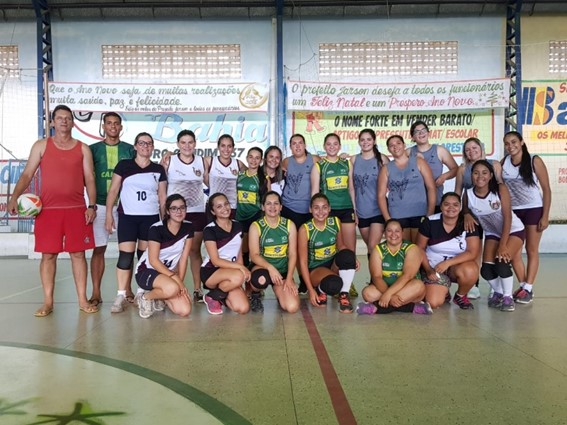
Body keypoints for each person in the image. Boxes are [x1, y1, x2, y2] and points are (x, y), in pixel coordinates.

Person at [7, 104, 98, 316]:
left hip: (76, 209)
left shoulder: (83, 148)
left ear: (73, 122)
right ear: (52, 122)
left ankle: (82, 300)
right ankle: (48, 302)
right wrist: (14, 197)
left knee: (78, 254)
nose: (64, 121)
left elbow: (90, 179)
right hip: (48, 211)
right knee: (48, 255)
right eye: (59, 118)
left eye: (68, 118)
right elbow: (27, 174)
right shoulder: (41, 146)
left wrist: (91, 206)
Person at [105, 132, 168, 313]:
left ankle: (142, 292)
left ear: (153, 147)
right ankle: (121, 294)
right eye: (141, 143)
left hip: (150, 218)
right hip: (128, 218)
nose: (145, 146)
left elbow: (162, 197)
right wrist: (109, 214)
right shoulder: (124, 165)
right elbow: (113, 191)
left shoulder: (158, 169)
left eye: (149, 143)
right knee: (125, 256)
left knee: (144, 257)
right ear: (135, 146)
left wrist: (164, 221)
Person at [463, 160, 525, 312]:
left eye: (484, 173)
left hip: (513, 230)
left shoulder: (500, 189)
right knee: (486, 270)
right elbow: (465, 209)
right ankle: (498, 292)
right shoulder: (468, 194)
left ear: (491, 175)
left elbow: (507, 218)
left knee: (501, 263)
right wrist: (466, 214)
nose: (480, 176)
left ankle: (508, 298)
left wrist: (503, 245)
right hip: (492, 233)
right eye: (476, 173)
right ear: (471, 175)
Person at [88, 112, 135, 307]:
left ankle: (128, 290)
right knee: (99, 249)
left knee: (128, 250)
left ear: (121, 127)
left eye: (116, 123)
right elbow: (86, 176)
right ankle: (96, 292)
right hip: (99, 205)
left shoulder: (130, 149)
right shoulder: (92, 150)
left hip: (126, 206)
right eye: (109, 123)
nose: (113, 126)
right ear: (104, 126)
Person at [501, 131, 551, 304]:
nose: (510, 146)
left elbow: (547, 189)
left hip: (533, 209)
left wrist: (545, 215)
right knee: (514, 251)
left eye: (514, 142)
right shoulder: (504, 162)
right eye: (507, 143)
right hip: (514, 212)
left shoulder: (534, 160)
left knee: (531, 249)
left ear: (521, 142)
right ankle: (524, 286)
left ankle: (528, 287)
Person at [163, 129, 208, 303]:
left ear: (195, 144)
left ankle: (197, 289)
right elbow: (161, 187)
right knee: (174, 252)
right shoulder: (169, 161)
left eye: (190, 142)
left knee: (194, 251)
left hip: (196, 212)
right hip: (175, 214)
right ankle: (174, 288)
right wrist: (164, 211)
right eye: (183, 142)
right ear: (178, 144)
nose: (187, 146)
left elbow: (211, 182)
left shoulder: (202, 161)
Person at [454, 137, 502, 300]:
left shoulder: (494, 165)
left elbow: (502, 190)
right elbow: (458, 193)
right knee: (474, 251)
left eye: (474, 148)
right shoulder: (463, 169)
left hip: (494, 215)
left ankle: (496, 287)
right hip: (472, 217)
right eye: (467, 149)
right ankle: (473, 285)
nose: (471, 151)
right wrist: (463, 214)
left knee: (494, 250)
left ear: (481, 148)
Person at [416, 192, 481, 310]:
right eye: (446, 204)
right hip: (434, 269)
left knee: (471, 270)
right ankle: (444, 292)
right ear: (441, 206)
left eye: (455, 205)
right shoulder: (430, 222)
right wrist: (428, 270)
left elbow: (472, 252)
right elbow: (419, 248)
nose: (451, 208)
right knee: (433, 303)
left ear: (460, 207)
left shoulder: (468, 223)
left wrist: (448, 263)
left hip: (456, 267)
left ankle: (460, 296)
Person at [298, 193, 359, 314]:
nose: (321, 211)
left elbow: (341, 246)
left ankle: (344, 295)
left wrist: (352, 258)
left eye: (324, 207)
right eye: (316, 207)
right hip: (316, 269)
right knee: (334, 284)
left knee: (348, 255)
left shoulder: (335, 221)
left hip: (332, 264)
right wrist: (310, 290)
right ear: (310, 209)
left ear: (329, 208)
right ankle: (320, 290)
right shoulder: (305, 229)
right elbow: (303, 262)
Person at [134, 194, 193, 319]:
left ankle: (160, 296)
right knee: (172, 288)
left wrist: (180, 283)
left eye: (182, 208)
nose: (179, 211)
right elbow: (154, 261)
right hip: (147, 271)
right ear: (167, 211)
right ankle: (145, 297)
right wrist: (176, 282)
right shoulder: (156, 228)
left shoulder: (188, 227)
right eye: (174, 208)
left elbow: (183, 259)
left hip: (167, 274)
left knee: (185, 310)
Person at [356, 219, 432, 315]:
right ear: (384, 233)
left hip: (408, 289)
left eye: (397, 231)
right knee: (367, 293)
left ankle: (377, 308)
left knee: (418, 286)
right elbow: (376, 277)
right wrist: (390, 296)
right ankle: (411, 307)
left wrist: (388, 295)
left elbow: (407, 276)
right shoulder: (377, 249)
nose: (393, 234)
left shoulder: (412, 248)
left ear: (402, 232)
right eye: (389, 231)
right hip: (385, 288)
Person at [248, 191, 300, 313]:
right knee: (260, 279)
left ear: (281, 207)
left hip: (282, 272)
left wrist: (289, 278)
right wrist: (270, 268)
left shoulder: (289, 225)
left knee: (292, 307)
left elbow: (293, 254)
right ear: (263, 207)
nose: (272, 207)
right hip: (263, 269)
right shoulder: (256, 226)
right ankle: (255, 294)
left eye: (276, 203)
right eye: (268, 203)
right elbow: (254, 255)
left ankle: (280, 292)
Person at [378, 134, 436, 243]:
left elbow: (431, 188)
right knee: (403, 249)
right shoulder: (386, 169)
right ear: (388, 149)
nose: (395, 147)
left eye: (398, 143)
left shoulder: (419, 162)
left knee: (418, 249)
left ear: (404, 145)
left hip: (419, 213)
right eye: (391, 145)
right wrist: (388, 219)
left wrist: (430, 214)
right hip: (397, 216)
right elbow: (381, 195)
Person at [200, 193, 250, 315]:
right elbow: (215, 260)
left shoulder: (238, 225)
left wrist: (240, 274)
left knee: (243, 308)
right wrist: (241, 269)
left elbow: (238, 254)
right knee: (238, 276)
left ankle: (219, 296)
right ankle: (212, 296)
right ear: (213, 211)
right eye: (219, 206)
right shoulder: (209, 230)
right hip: (211, 271)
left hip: (231, 273)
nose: (225, 208)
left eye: (226, 204)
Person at [311, 133, 357, 252]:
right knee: (332, 249)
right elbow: (315, 192)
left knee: (350, 249)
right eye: (329, 144)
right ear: (324, 146)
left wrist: (355, 210)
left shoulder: (347, 163)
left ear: (340, 146)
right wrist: (315, 213)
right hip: (327, 211)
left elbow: (351, 188)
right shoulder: (319, 166)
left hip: (346, 209)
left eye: (335, 144)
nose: (332, 147)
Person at [351, 128, 390, 256]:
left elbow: (393, 180)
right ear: (358, 142)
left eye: (368, 139)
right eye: (362, 140)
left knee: (373, 247)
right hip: (362, 211)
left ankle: (378, 270)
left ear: (374, 141)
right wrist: (354, 211)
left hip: (378, 210)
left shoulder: (382, 159)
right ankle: (378, 267)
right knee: (371, 249)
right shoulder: (354, 160)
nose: (365, 142)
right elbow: (351, 188)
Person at [407, 120, 458, 210]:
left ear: (428, 132)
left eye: (423, 130)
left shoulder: (440, 150)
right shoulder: (408, 153)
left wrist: (444, 177)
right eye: (417, 132)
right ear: (413, 137)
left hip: (436, 202)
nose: (421, 133)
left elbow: (455, 169)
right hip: (414, 203)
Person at [236, 147, 269, 268]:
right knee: (243, 249)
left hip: (255, 216)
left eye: (257, 158)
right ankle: (245, 271)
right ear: (247, 158)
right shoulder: (240, 176)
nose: (253, 160)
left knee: (254, 249)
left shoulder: (264, 179)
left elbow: (267, 201)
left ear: (261, 161)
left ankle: (255, 273)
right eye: (251, 157)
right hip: (240, 216)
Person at [281, 133, 320, 229]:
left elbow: (329, 163)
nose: (297, 146)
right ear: (290, 147)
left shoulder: (314, 159)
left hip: (309, 208)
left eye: (300, 143)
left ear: (305, 145)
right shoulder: (286, 161)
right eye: (294, 144)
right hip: (289, 207)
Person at [205, 134, 247, 219]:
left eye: (229, 146)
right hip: (214, 207)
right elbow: (199, 174)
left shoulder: (238, 164)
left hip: (231, 207)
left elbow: (250, 175)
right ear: (218, 147)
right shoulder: (210, 161)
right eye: (223, 146)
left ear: (233, 148)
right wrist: (211, 185)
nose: (226, 149)